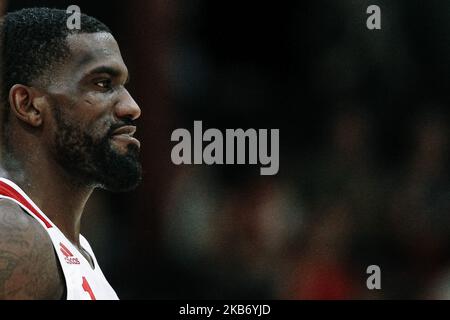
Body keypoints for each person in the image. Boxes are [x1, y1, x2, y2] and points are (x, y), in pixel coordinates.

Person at [0, 7, 142, 299]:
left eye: (123, 86)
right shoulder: (13, 234)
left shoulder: (72, 247)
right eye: (103, 84)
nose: (131, 107)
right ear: (28, 105)